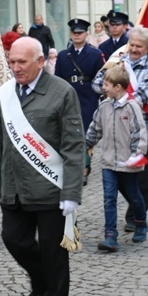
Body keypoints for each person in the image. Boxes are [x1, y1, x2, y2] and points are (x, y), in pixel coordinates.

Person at [0, 37, 84, 296]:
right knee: (14, 240)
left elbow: (74, 146)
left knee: (53, 254)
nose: (15, 68)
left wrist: (71, 193)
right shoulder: (6, 93)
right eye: (12, 61)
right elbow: (2, 142)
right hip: (15, 189)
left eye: (22, 62)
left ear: (40, 61)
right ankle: (40, 282)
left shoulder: (62, 92)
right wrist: (1, 187)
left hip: (50, 190)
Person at [93, 26, 148, 233]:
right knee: (119, 172)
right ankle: (136, 207)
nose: (133, 49)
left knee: (141, 174)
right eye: (131, 44)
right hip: (115, 126)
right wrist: (111, 89)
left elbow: (143, 97)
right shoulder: (119, 60)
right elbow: (98, 84)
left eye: (138, 46)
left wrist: (114, 93)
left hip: (143, 127)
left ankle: (136, 217)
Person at [85, 66, 148, 252]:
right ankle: (110, 236)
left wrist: (137, 154)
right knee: (109, 198)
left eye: (106, 84)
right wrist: (85, 144)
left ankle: (141, 223)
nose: (103, 87)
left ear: (119, 87)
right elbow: (95, 128)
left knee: (134, 196)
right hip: (108, 163)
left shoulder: (132, 107)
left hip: (127, 162)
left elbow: (139, 132)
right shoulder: (104, 106)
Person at [54, 18, 105, 185]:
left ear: (86, 34)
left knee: (85, 135)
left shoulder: (95, 54)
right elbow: (58, 79)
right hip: (69, 98)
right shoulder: (63, 55)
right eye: (74, 33)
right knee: (69, 134)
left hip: (88, 98)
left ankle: (84, 169)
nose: (77, 35)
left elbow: (101, 78)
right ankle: (71, 166)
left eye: (80, 32)